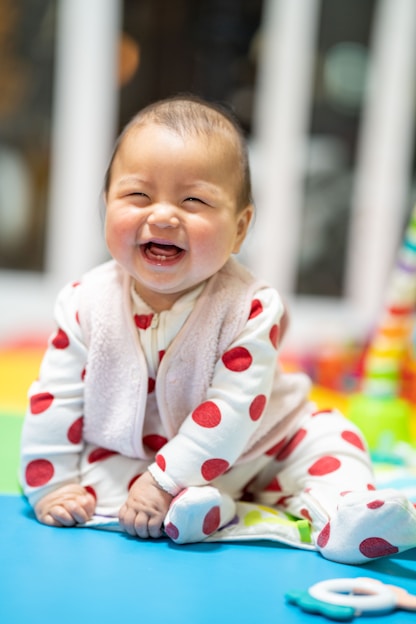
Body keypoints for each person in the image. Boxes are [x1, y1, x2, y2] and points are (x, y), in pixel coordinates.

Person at [20, 95, 416, 564]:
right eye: (137, 195)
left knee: (331, 437)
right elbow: (55, 397)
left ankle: (347, 516)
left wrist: (165, 481)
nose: (163, 215)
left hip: (263, 441)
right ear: (106, 204)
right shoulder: (85, 302)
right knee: (96, 480)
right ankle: (206, 511)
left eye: (194, 200)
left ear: (240, 229)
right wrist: (52, 486)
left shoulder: (250, 306)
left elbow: (232, 409)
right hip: (140, 457)